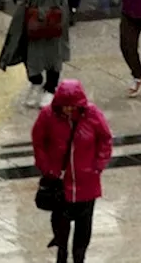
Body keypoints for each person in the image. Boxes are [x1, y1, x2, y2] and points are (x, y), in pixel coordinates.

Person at [31, 80, 113, 263]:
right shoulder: (47, 116)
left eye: (72, 106)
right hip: (60, 181)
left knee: (84, 226)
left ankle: (79, 257)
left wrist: (97, 165)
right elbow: (39, 142)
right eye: (65, 106)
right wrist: (47, 168)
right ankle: (61, 252)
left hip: (87, 181)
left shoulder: (93, 115)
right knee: (60, 222)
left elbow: (105, 139)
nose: (68, 110)